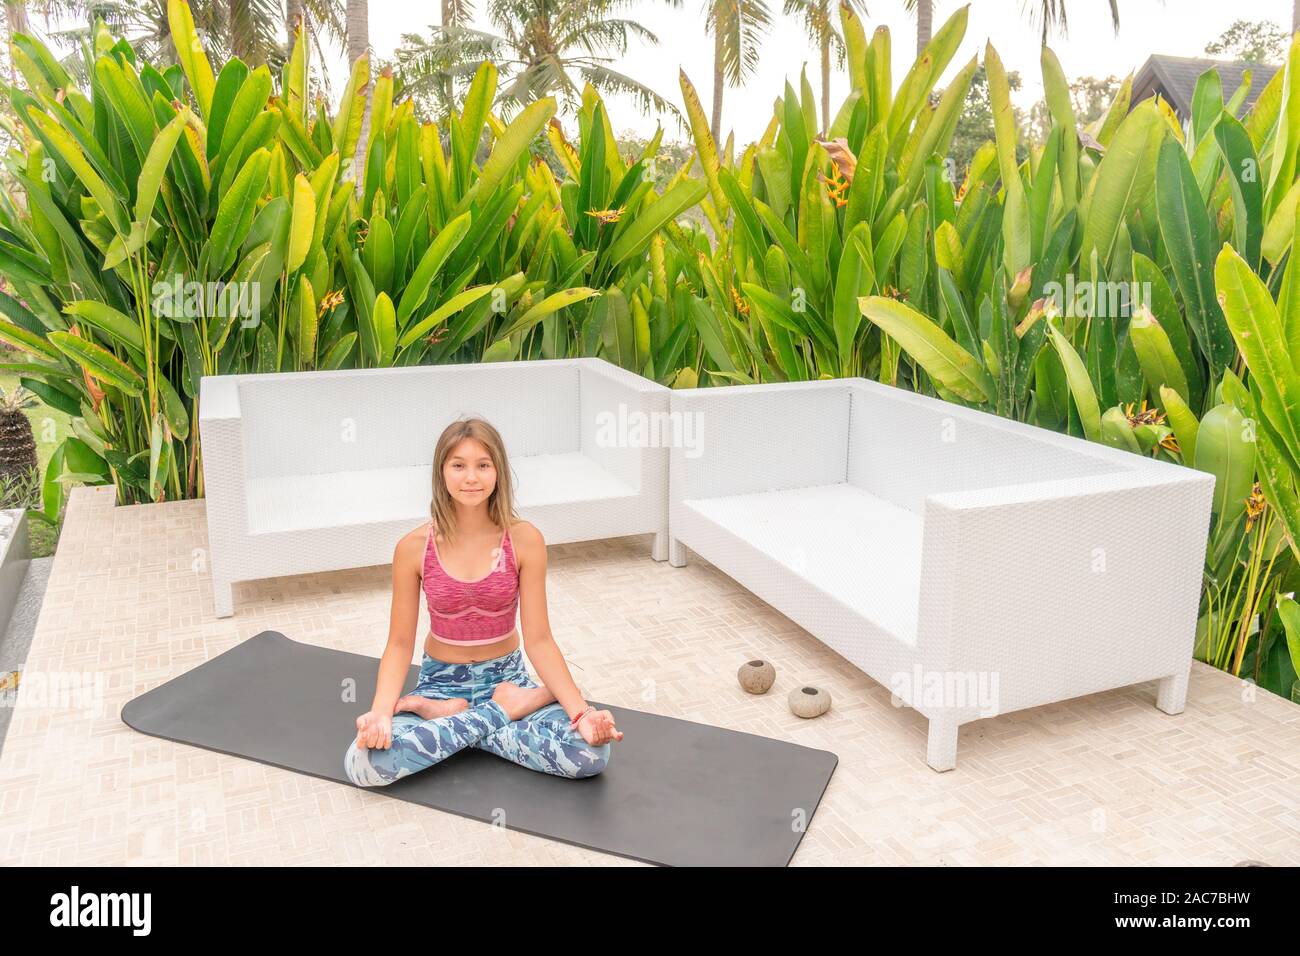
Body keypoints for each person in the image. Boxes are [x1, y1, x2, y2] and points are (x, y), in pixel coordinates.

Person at [343, 416, 623, 787]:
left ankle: (455, 720)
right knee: (364, 764)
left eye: (483, 465)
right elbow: (398, 643)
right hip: (440, 685)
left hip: (507, 677)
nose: (471, 477)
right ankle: (501, 710)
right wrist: (380, 712)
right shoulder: (412, 548)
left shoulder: (525, 540)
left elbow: (539, 639)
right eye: (458, 465)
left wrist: (581, 714)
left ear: (498, 472)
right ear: (441, 472)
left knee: (590, 754)